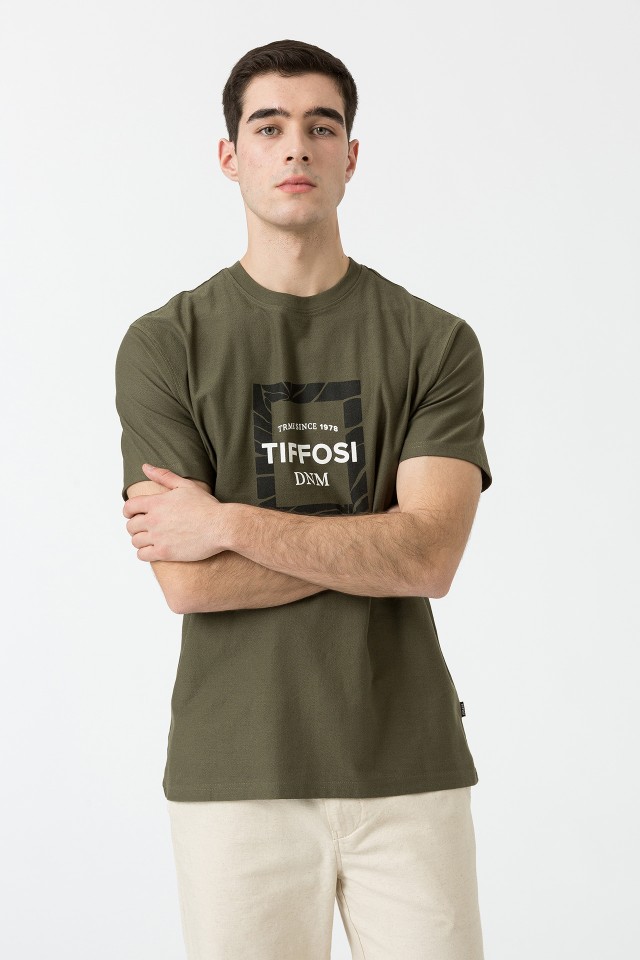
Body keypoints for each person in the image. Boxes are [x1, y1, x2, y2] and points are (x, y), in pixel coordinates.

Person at [115, 38, 492, 960]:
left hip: (407, 764)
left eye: (322, 128)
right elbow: (188, 585)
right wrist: (379, 543)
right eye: (269, 126)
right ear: (229, 155)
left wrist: (225, 523)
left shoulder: (434, 341)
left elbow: (431, 559)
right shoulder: (166, 345)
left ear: (351, 156)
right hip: (235, 771)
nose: (296, 147)